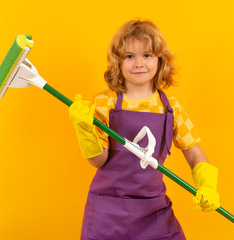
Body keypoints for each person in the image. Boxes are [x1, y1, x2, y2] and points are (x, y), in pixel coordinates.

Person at [69, 19, 220, 240]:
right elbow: (99, 160)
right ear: (117, 62)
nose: (139, 63)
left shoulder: (171, 108)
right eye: (129, 56)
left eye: (147, 55)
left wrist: (207, 185)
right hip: (107, 211)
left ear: (160, 60)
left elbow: (195, 153)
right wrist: (84, 129)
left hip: (154, 212)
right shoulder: (104, 102)